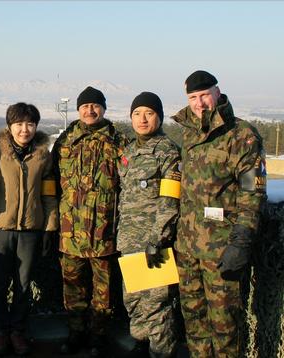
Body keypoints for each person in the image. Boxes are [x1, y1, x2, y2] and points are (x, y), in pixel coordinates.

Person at [173, 70, 266, 357]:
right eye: (192, 98)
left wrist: (240, 243)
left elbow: (252, 193)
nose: (199, 103)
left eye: (204, 95)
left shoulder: (242, 135)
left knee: (225, 327)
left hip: (221, 251)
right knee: (194, 323)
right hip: (188, 249)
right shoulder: (189, 134)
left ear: (217, 92)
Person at [52, 86, 128, 356]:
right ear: (78, 110)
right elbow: (51, 182)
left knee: (103, 292)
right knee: (73, 289)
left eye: (95, 106)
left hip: (103, 231)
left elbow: (128, 186)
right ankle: (76, 333)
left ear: (104, 109)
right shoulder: (65, 141)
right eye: (85, 106)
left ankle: (98, 336)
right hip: (70, 232)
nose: (90, 110)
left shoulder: (118, 142)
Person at [0, 103, 58, 356]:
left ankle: (18, 331)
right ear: (10, 126)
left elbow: (49, 194)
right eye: (19, 124)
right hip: (1, 228)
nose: (25, 130)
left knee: (24, 283)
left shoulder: (44, 156)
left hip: (30, 229)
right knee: (0, 283)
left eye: (30, 124)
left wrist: (49, 227)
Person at [117, 92, 180, 357]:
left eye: (149, 113)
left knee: (157, 305)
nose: (142, 119)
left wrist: (158, 239)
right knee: (134, 301)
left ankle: (162, 353)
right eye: (137, 114)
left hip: (154, 244)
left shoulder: (168, 153)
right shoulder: (129, 151)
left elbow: (169, 200)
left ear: (159, 116)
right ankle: (141, 345)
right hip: (129, 241)